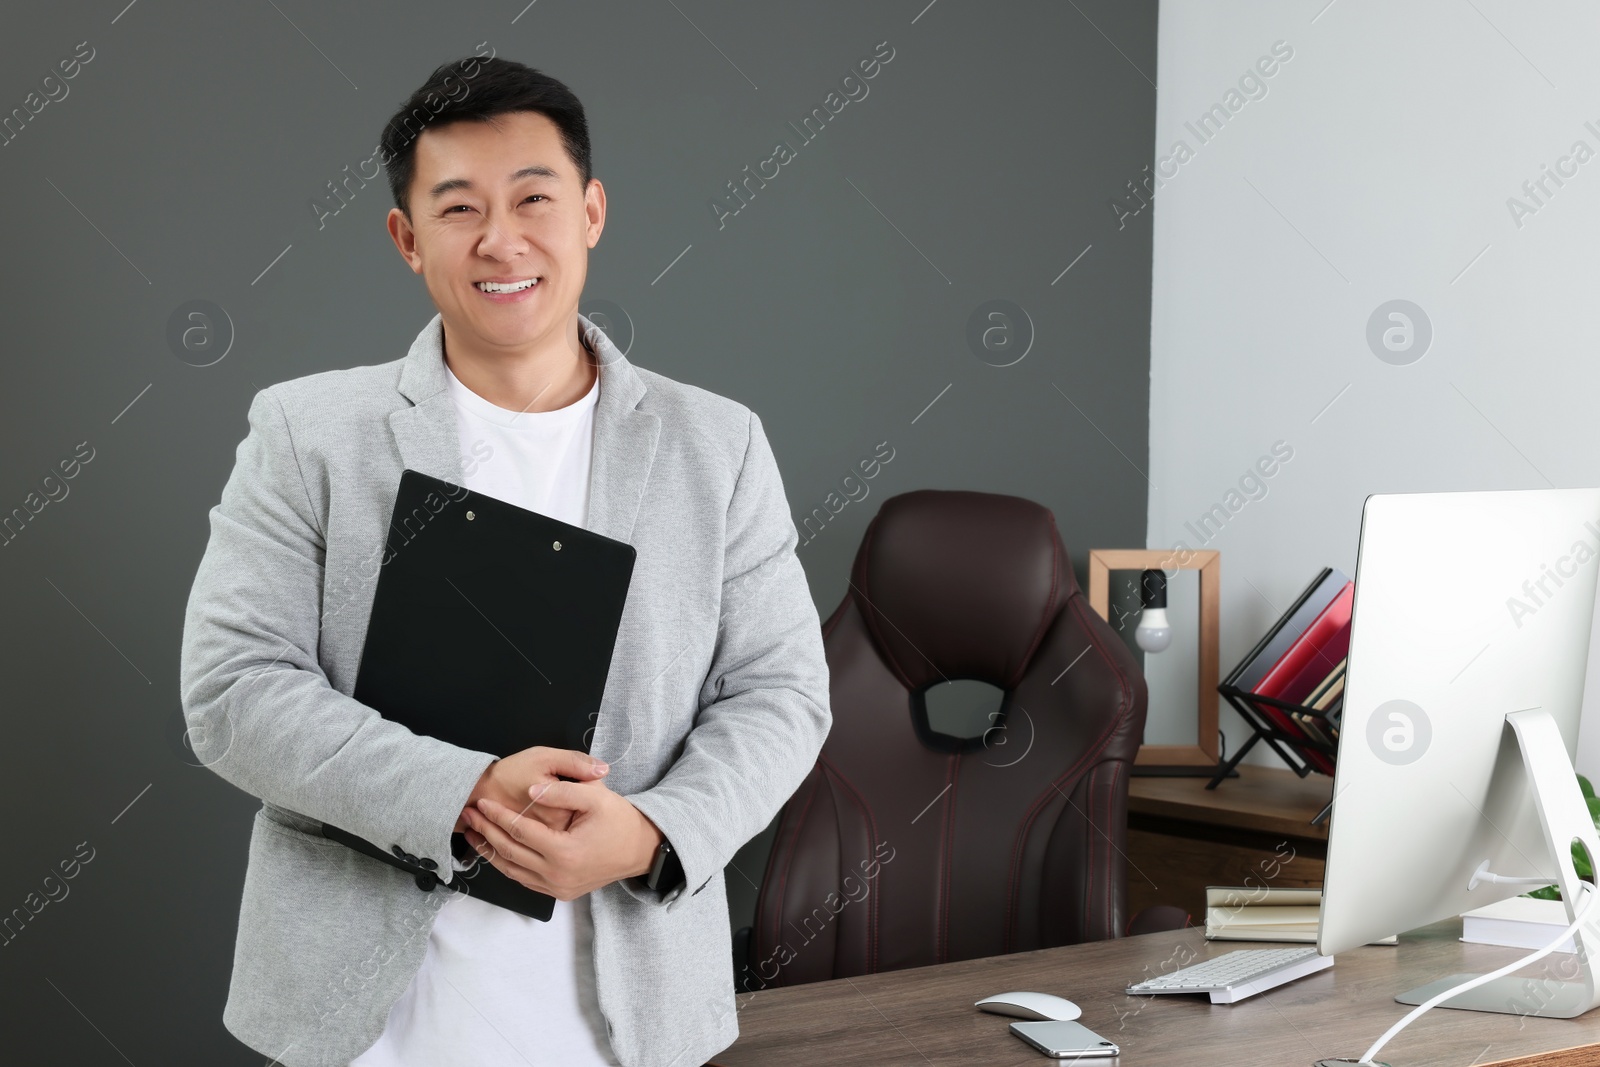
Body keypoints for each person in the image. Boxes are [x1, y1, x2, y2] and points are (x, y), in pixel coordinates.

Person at [178, 52, 832, 1067]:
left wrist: (651, 835)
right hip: (368, 1027)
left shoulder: (719, 443)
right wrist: (463, 790)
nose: (501, 239)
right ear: (406, 238)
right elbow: (233, 692)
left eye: (534, 197)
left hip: (631, 1018)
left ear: (591, 213)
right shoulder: (306, 433)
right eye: (457, 208)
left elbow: (782, 691)